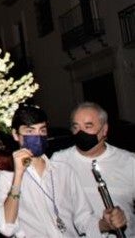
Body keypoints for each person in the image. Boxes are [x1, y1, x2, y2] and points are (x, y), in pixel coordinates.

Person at [0, 104, 125, 237]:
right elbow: (6, 228)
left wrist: (105, 224)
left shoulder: (64, 171)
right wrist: (18, 176)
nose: (37, 136)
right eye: (30, 131)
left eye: (42, 131)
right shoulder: (5, 179)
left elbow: (83, 218)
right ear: (16, 134)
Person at [51, 102, 133, 237]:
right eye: (76, 127)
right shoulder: (59, 161)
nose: (80, 132)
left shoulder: (129, 162)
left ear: (104, 129)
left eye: (88, 126)